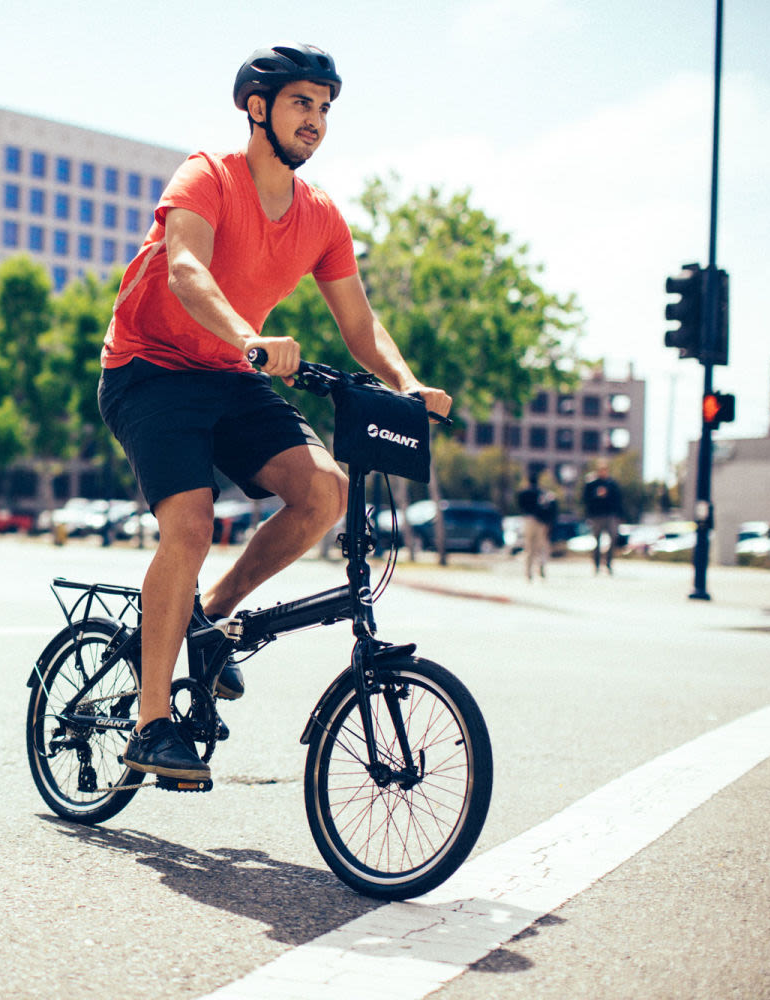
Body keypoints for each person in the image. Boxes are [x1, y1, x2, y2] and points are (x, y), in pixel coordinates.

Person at [97, 43, 452, 782]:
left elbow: (360, 325)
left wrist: (406, 383)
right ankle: (150, 721)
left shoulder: (320, 217)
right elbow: (185, 267)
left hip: (229, 373)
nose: (316, 121)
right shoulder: (207, 176)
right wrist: (250, 338)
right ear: (256, 107)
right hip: (148, 369)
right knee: (188, 525)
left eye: (324, 108)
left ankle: (212, 622)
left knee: (324, 490)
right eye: (301, 103)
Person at [582, 460, 625, 574]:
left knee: (613, 538)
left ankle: (608, 563)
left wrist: (620, 515)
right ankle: (596, 564)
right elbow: (585, 500)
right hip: (597, 515)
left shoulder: (612, 484)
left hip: (610, 515)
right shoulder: (592, 484)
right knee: (597, 540)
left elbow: (618, 500)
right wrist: (596, 496)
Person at [515, 470, 558, 581]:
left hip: (528, 520)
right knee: (541, 547)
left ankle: (528, 572)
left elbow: (520, 505)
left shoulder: (524, 492)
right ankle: (541, 567)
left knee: (529, 547)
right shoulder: (543, 493)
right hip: (541, 522)